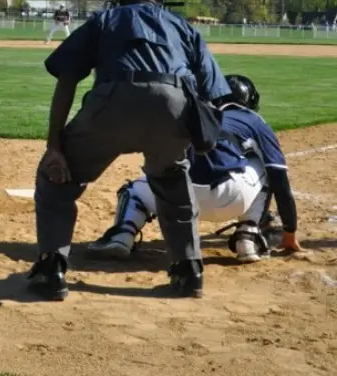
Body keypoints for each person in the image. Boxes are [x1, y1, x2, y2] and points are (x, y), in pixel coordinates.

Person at [28, 0, 233, 301]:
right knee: (172, 180)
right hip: (174, 104)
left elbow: (67, 77)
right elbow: (213, 92)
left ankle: (51, 270)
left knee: (56, 180)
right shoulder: (181, 26)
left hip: (113, 101)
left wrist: (55, 147)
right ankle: (188, 270)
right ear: (159, 2)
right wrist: (189, 138)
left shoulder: (106, 18)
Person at [86, 73, 301, 262]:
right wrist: (289, 232)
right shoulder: (253, 120)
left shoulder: (197, 115)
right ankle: (248, 234)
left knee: (133, 190)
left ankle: (121, 236)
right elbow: (279, 179)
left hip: (177, 199)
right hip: (232, 199)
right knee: (266, 164)